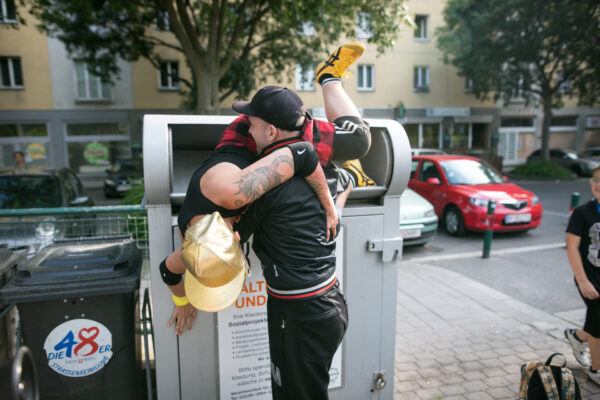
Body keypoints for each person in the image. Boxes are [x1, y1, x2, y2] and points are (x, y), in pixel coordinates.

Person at [233, 43, 368, 400]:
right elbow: (340, 199)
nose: (248, 130)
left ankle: (329, 79)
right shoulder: (325, 170)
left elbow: (228, 236)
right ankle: (329, 80)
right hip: (327, 305)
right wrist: (345, 188)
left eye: (253, 124)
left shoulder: (266, 188)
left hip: (300, 315)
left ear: (273, 133)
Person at [564, 164, 600, 385]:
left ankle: (577, 337)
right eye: (596, 179)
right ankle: (596, 370)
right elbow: (572, 247)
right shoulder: (582, 213)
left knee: (596, 323)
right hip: (590, 278)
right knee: (599, 326)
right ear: (590, 183)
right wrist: (582, 280)